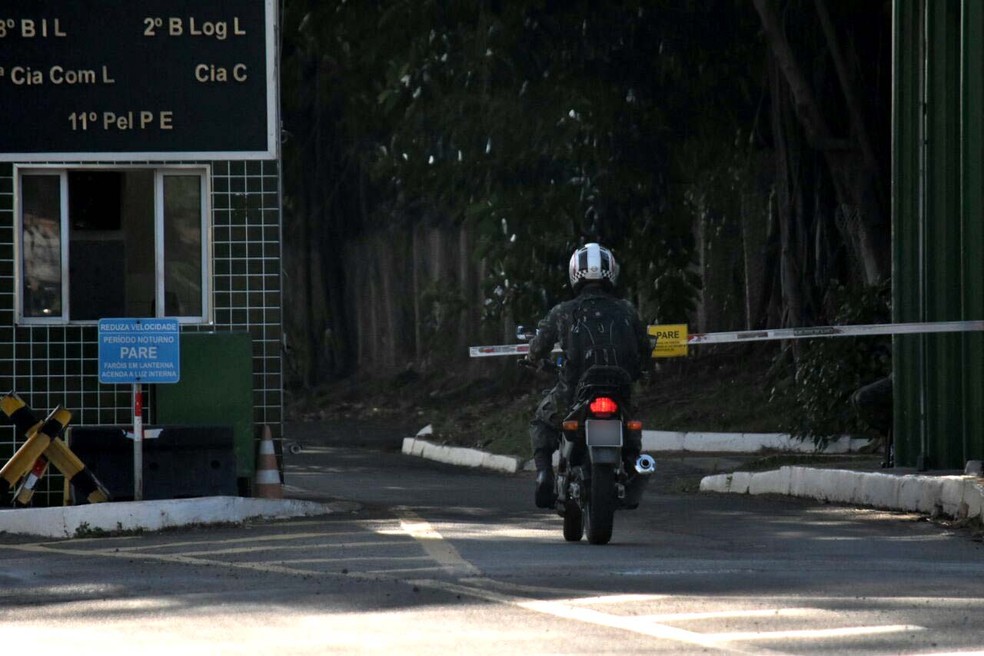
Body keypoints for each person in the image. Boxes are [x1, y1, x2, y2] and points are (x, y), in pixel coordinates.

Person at [524, 243, 651, 508]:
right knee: (631, 429)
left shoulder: (562, 312)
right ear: (610, 273)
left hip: (574, 393)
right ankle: (633, 466)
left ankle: (544, 474)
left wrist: (532, 359)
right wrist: (639, 369)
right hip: (620, 391)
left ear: (574, 274)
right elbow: (645, 351)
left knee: (541, 421)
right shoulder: (627, 310)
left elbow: (537, 348)